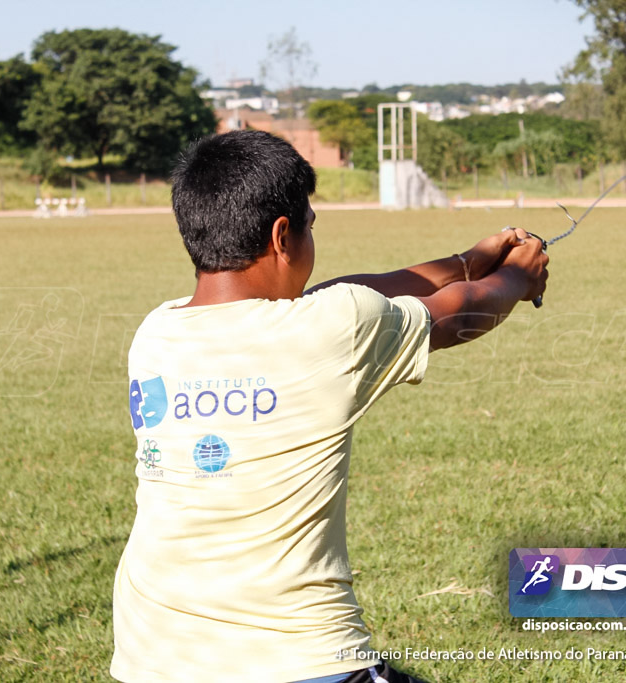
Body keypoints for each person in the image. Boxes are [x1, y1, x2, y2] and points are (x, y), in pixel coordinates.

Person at [111, 130, 548, 683]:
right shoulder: (333, 329)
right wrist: (516, 276)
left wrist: (468, 260)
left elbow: (336, 297)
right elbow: (458, 314)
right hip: (296, 661)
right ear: (281, 236)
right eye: (310, 223)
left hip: (150, 657)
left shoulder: (157, 333)